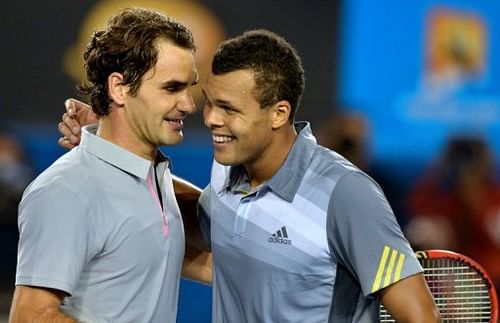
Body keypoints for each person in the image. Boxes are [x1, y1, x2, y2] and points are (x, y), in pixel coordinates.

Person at [58, 30, 440, 322]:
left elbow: (420, 316)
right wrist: (112, 140)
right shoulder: (226, 169)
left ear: (278, 113)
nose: (210, 119)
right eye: (210, 103)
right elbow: (188, 217)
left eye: (228, 109)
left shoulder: (347, 194)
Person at [10, 8, 210, 323]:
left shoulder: (153, 179)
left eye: (189, 86)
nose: (188, 104)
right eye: (172, 88)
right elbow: (31, 316)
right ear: (119, 88)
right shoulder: (68, 190)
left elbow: (211, 262)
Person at [406, 135, 500, 295]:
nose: (466, 178)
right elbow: (418, 232)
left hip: (493, 286)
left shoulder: (495, 201)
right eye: (459, 168)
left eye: (473, 170)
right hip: (452, 291)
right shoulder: (438, 202)